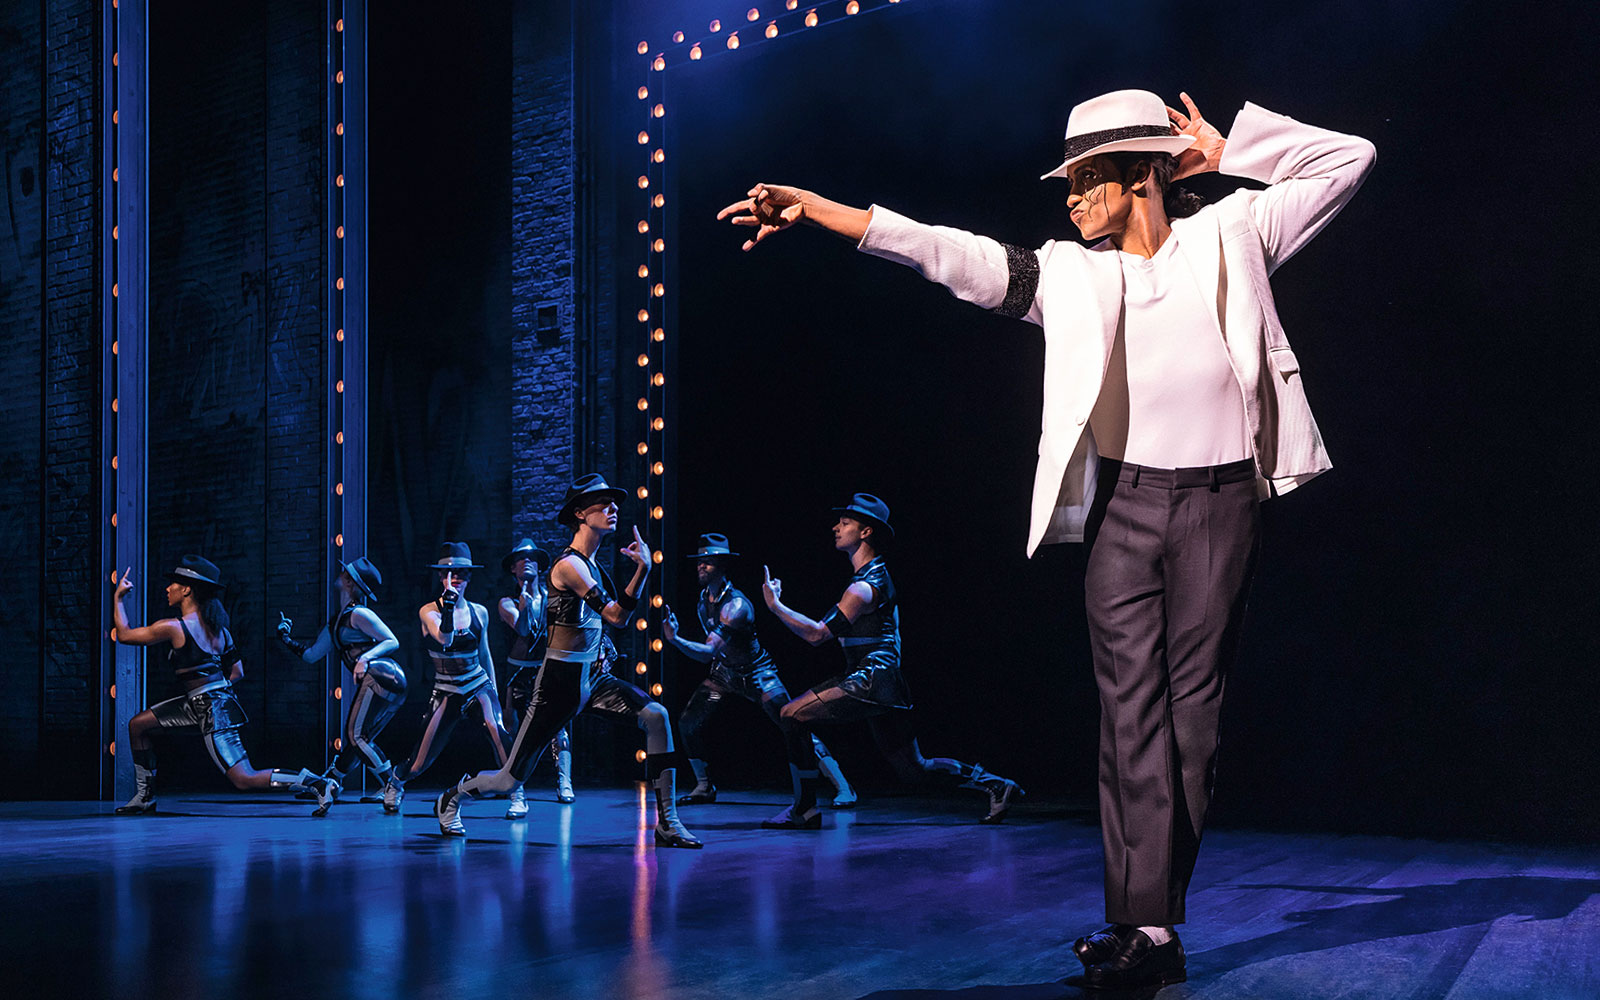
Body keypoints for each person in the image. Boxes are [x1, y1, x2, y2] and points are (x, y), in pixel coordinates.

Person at [719, 89, 1375, 989]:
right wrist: (823, 211)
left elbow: (1350, 159)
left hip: (1222, 504)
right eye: (1065, 181)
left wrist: (1226, 153)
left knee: (1192, 721)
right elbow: (945, 251)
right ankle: (1144, 929)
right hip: (1125, 513)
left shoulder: (1237, 232)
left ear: (1145, 173)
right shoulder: (1072, 274)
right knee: (1129, 719)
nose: (1068, 196)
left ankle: (1151, 921)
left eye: (1087, 178)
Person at [433, 474, 701, 848]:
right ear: (579, 513)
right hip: (558, 684)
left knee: (657, 717)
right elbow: (615, 616)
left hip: (591, 680)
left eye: (615, 503)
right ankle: (453, 796)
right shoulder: (568, 567)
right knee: (511, 778)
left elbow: (602, 625)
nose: (613, 509)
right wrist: (642, 570)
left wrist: (603, 649)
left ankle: (668, 822)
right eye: (602, 503)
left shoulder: (594, 566)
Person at [762, 495, 1023, 829]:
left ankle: (804, 809)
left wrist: (775, 606)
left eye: (845, 523)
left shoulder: (864, 587)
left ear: (866, 531)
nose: (835, 528)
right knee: (914, 769)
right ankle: (995, 784)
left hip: (870, 678)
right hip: (883, 680)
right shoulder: (876, 575)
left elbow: (817, 635)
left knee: (790, 714)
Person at [110, 555, 335, 814]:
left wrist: (118, 598)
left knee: (243, 778)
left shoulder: (173, 627)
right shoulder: (221, 631)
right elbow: (237, 671)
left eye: (173, 584)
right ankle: (144, 796)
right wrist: (214, 691)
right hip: (203, 703)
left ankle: (316, 782)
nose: (168, 588)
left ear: (187, 590)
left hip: (210, 708)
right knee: (138, 725)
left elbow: (125, 635)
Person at [664, 532, 856, 824]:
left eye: (709, 562)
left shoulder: (736, 606)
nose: (701, 566)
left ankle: (842, 785)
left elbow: (706, 652)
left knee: (791, 723)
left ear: (723, 566)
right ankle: (704, 785)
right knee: (690, 721)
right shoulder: (704, 599)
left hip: (757, 676)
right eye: (700, 561)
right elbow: (714, 654)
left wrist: (675, 639)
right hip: (724, 678)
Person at [381, 543, 515, 815]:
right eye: (447, 573)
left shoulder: (479, 612)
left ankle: (517, 792)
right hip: (446, 690)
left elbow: (485, 653)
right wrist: (449, 608)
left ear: (468, 577)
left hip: (477, 684)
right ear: (440, 578)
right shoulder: (428, 611)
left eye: (460, 574)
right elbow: (445, 638)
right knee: (419, 762)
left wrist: (495, 692)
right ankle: (396, 780)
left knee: (496, 727)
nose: (454, 579)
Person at [274, 556, 406, 816]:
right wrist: (286, 638)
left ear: (349, 581)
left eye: (345, 572)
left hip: (384, 676)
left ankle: (393, 784)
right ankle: (332, 782)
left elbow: (392, 640)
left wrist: (365, 659)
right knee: (358, 740)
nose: (341, 573)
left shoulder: (360, 614)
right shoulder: (338, 621)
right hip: (383, 681)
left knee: (356, 736)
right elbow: (312, 654)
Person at [499, 538, 576, 812]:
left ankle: (564, 780)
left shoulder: (551, 599)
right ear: (513, 569)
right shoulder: (507, 602)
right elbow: (521, 629)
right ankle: (517, 792)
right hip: (517, 674)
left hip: (547, 671)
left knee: (559, 728)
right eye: (520, 558)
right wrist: (525, 601)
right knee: (516, 733)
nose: (526, 562)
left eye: (531, 558)